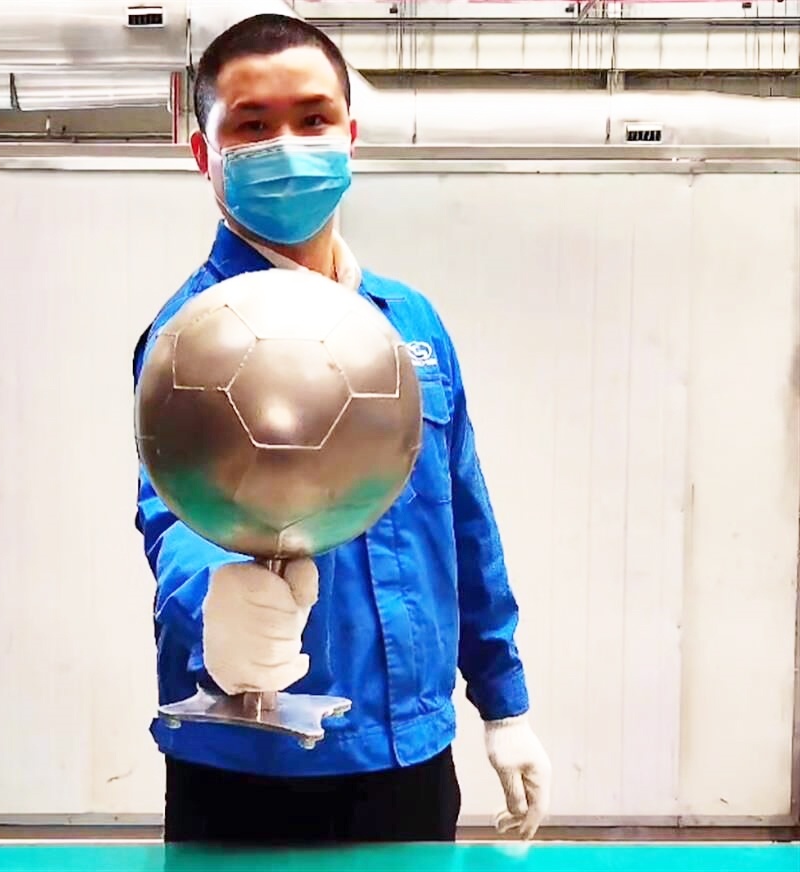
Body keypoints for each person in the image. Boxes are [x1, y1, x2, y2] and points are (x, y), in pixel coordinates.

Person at [132, 13, 551, 845]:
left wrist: (504, 703)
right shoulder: (188, 337)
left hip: (409, 754)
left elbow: (464, 520)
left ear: (350, 137)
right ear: (205, 152)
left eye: (313, 118)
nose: (287, 145)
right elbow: (170, 516)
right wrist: (212, 606)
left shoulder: (409, 323)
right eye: (253, 125)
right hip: (249, 761)